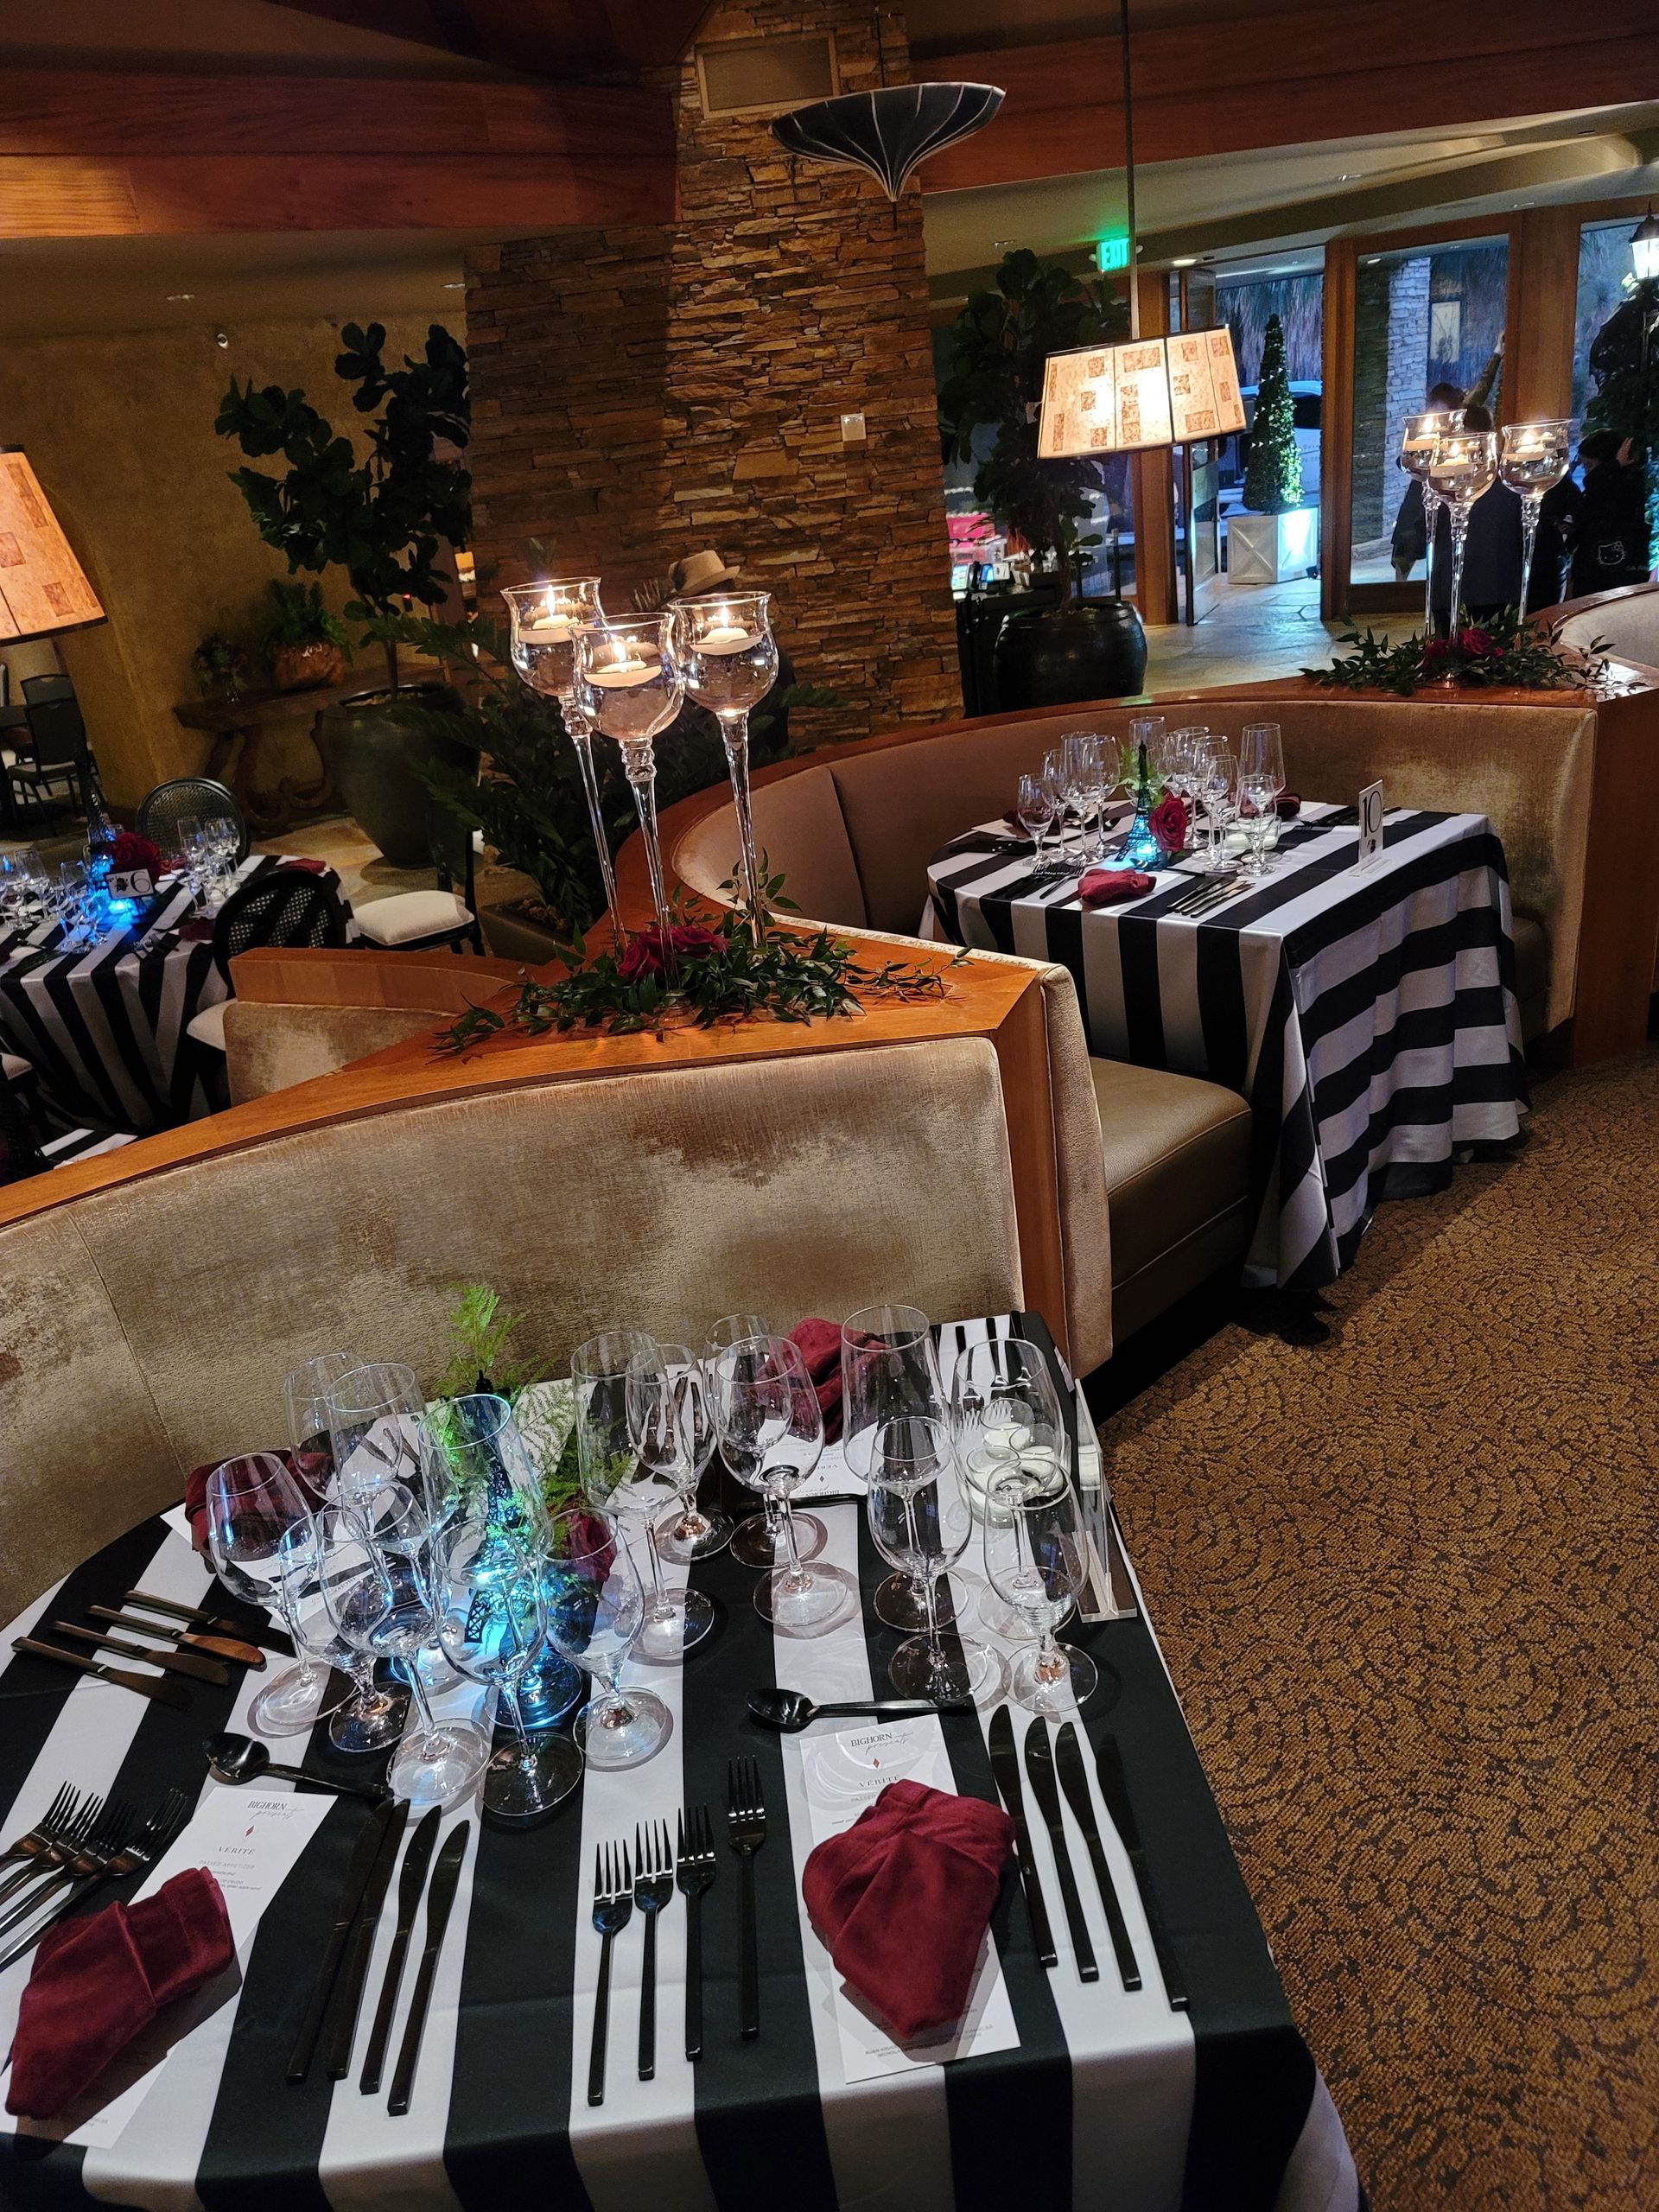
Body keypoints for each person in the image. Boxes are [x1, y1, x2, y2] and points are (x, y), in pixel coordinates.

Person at [1554, 433, 1651, 599]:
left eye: (1590, 466)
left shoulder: (1627, 483)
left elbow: (1594, 485)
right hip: (1593, 572)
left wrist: (1615, 465)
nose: (1586, 473)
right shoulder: (1602, 487)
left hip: (1613, 574)